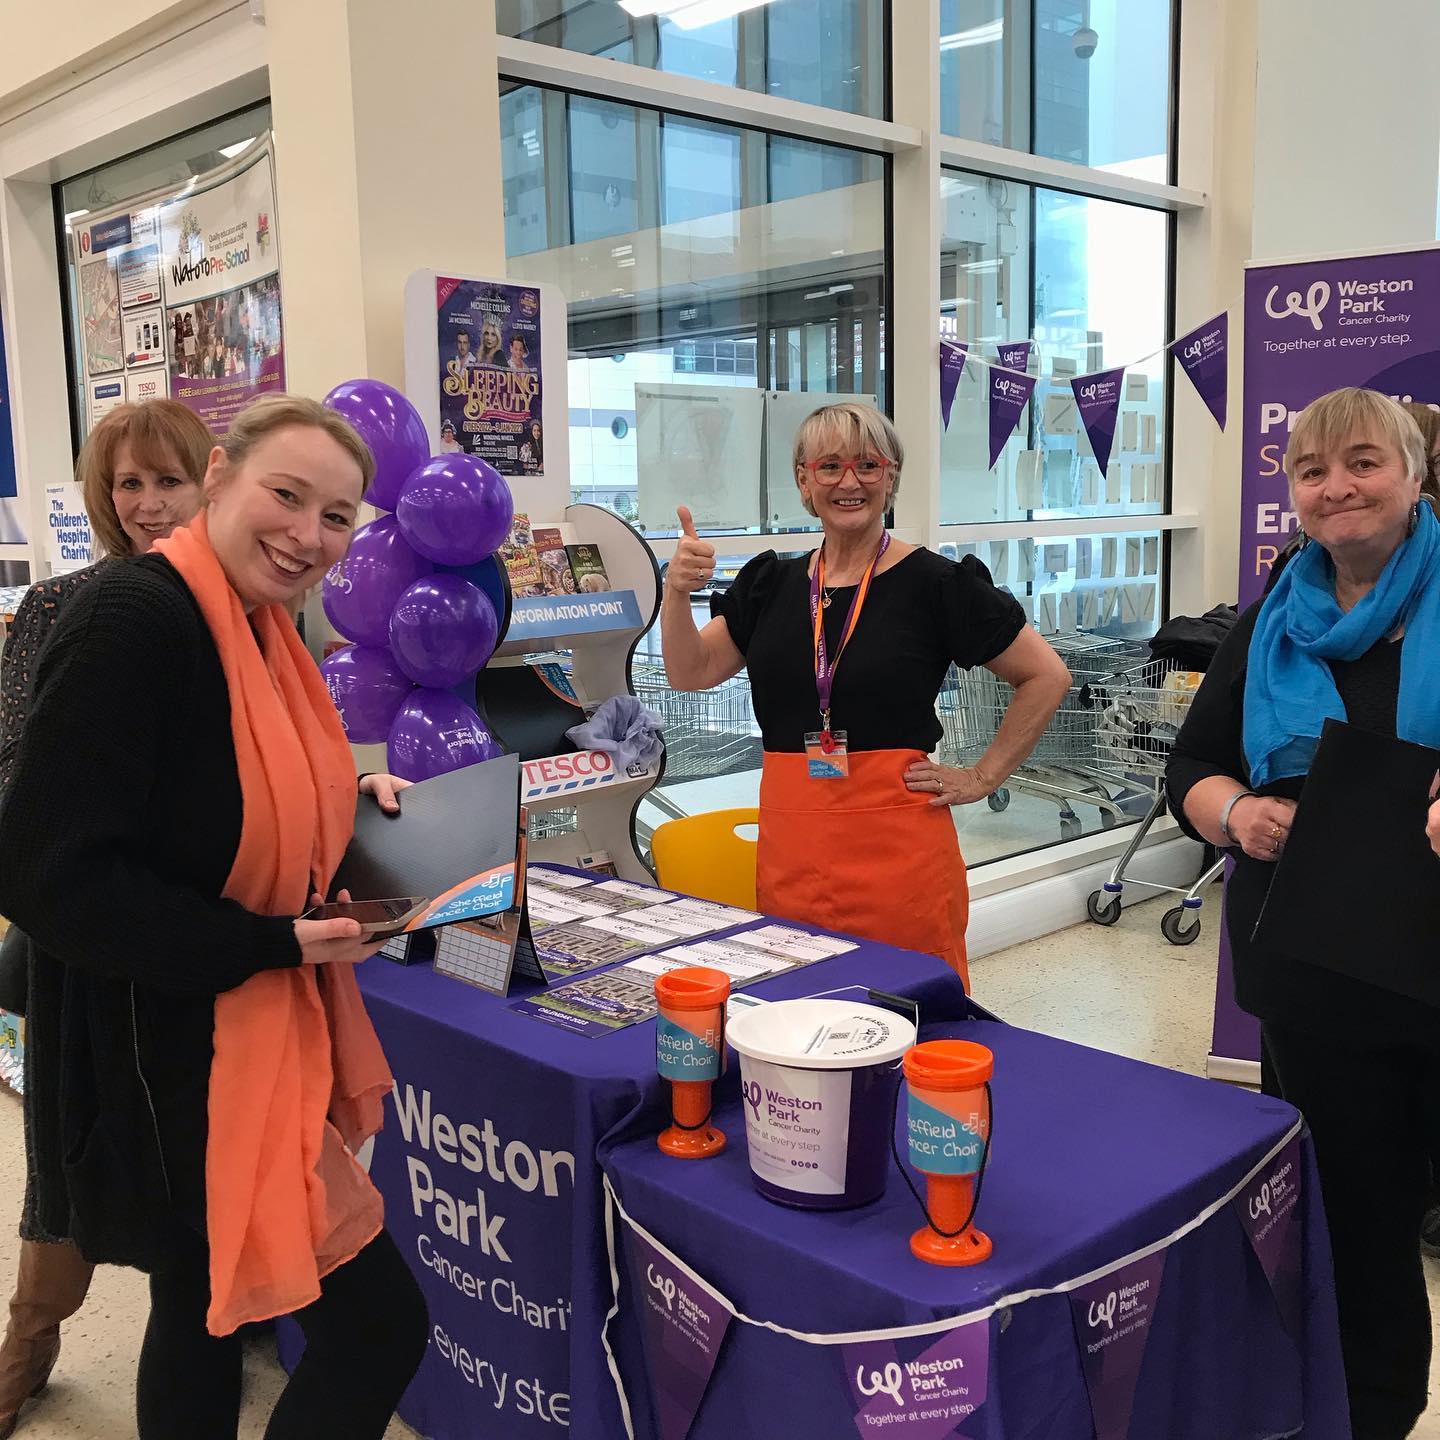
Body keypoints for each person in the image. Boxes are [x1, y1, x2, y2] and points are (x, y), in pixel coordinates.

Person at [0, 394, 428, 1438]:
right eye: (287, 495)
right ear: (225, 476)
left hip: (215, 1041)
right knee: (379, 1329)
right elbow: (44, 872)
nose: (308, 535)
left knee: (194, 1312)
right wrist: (264, 944)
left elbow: (220, 798)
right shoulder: (136, 617)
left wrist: (342, 808)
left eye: (337, 517)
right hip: (174, 1058)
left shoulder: (255, 623)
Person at [1166, 387, 1440, 1440]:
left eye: (1364, 461)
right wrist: (1234, 812)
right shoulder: (1280, 604)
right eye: (1313, 470)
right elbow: (1193, 764)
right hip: (1322, 981)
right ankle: (1374, 1419)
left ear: (1414, 474)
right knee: (1358, 1227)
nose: (1338, 487)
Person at [662, 401, 1070, 987]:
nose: (848, 481)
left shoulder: (938, 585)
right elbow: (690, 670)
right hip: (792, 851)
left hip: (900, 856)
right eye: (829, 466)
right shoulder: (770, 585)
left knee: (911, 1014)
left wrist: (984, 776)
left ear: (891, 476)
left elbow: (1046, 675)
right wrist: (676, 593)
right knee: (800, 1011)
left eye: (867, 465)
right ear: (804, 481)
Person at [0, 399, 215, 1438]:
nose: (146, 503)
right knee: (65, 1152)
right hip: (78, 939)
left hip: (198, 941)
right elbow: (16, 783)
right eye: (128, 483)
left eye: (167, 480)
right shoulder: (58, 609)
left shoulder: (248, 606)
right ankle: (28, 1346)